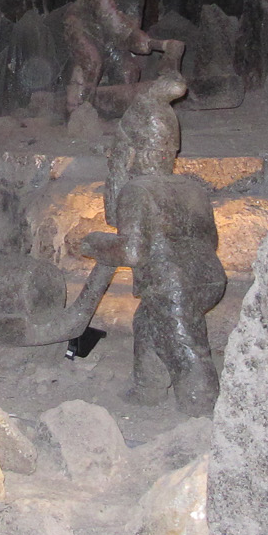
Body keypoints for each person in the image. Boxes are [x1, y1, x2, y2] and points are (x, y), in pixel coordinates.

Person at [84, 73, 226, 414]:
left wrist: (96, 244)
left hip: (170, 283)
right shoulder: (192, 188)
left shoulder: (137, 192)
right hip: (209, 277)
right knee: (147, 323)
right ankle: (148, 386)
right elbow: (211, 239)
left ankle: (201, 405)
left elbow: (131, 252)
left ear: (132, 151)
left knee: (187, 347)